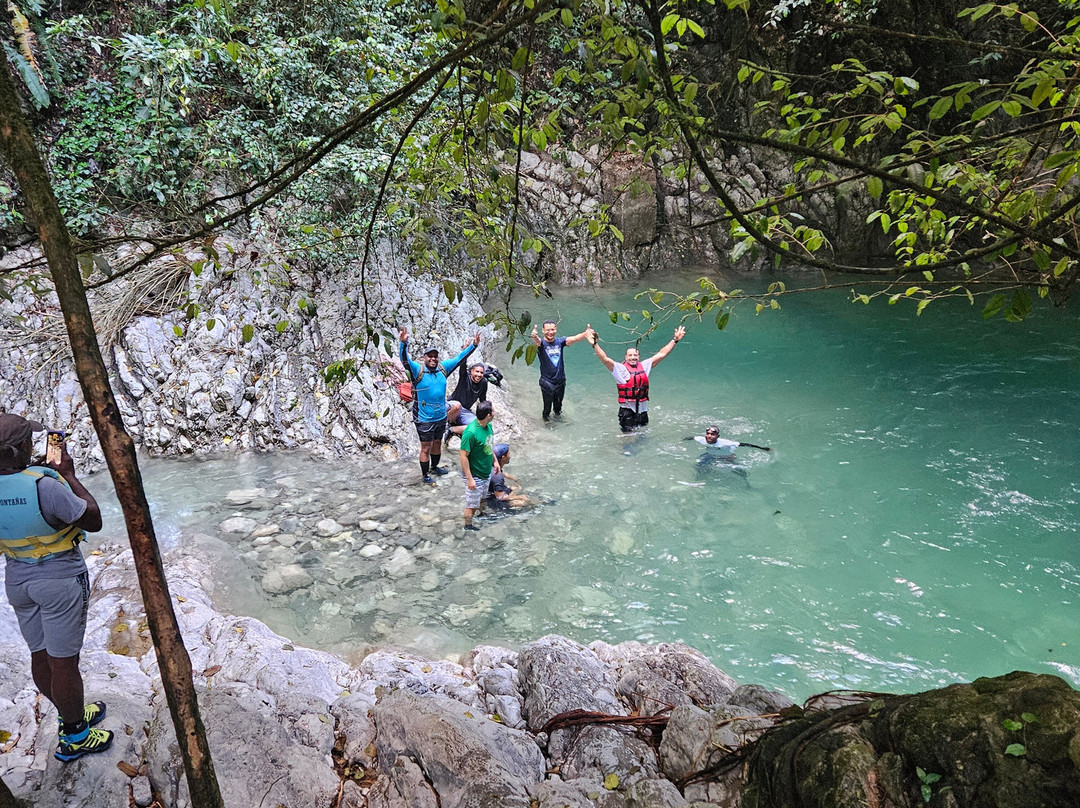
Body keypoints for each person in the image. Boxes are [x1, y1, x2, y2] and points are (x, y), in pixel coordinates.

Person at [0, 414, 112, 762]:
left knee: (40, 656)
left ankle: (70, 712)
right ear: (20, 448)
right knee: (64, 663)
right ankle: (75, 734)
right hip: (59, 579)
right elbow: (93, 519)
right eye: (29, 442)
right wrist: (68, 475)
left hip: (18, 579)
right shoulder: (44, 485)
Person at [399, 327, 480, 484]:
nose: (433, 359)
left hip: (441, 415)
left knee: (438, 443)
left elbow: (459, 358)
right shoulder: (418, 370)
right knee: (426, 448)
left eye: (435, 356)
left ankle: (435, 467)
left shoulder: (443, 368)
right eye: (430, 356)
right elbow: (405, 361)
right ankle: (425, 475)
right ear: (425, 358)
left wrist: (474, 345)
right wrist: (404, 343)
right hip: (424, 417)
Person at [585, 324, 687, 432]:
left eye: (635, 355)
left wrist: (675, 340)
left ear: (638, 357)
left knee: (642, 437)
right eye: (630, 355)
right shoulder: (620, 369)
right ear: (626, 357)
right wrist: (595, 344)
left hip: (643, 411)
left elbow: (662, 354)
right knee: (628, 440)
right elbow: (604, 359)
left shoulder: (644, 366)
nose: (633, 357)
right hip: (627, 412)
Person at [529, 320, 590, 421]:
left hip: (560, 380)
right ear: (543, 331)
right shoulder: (542, 344)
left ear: (556, 330)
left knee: (558, 407)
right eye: (548, 330)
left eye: (552, 329)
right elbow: (537, 341)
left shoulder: (560, 342)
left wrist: (585, 333)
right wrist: (534, 336)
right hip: (547, 382)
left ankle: (558, 421)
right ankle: (547, 424)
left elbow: (574, 338)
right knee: (547, 408)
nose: (550, 332)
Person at [458, 401, 497, 531]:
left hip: (485, 472)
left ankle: (481, 515)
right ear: (488, 415)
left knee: (481, 499)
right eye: (493, 411)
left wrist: (495, 462)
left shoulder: (488, 427)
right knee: (471, 506)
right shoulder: (471, 433)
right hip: (475, 475)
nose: (495, 413)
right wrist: (469, 479)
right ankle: (468, 527)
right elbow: (463, 456)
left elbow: (489, 445)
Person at [445, 359, 489, 446]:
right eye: (477, 371)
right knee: (457, 405)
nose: (479, 375)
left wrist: (485, 416)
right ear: (471, 371)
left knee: (478, 426)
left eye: (481, 373)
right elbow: (462, 364)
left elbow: (482, 400)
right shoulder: (464, 377)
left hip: (464, 411)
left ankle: (451, 429)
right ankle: (445, 424)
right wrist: (467, 350)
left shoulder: (484, 382)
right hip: (452, 406)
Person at [487, 443, 536, 508]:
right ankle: (539, 504)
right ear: (503, 457)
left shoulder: (493, 466)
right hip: (493, 500)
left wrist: (515, 479)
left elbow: (504, 474)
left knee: (516, 488)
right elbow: (500, 498)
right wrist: (518, 497)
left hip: (494, 491)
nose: (510, 456)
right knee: (524, 501)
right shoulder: (498, 476)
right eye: (509, 454)